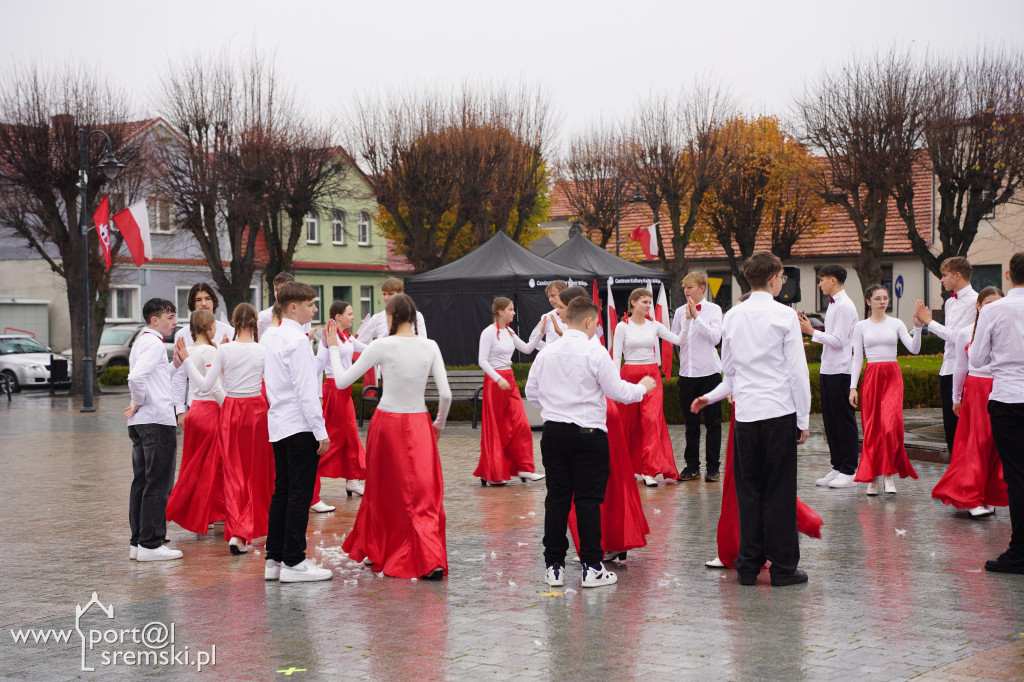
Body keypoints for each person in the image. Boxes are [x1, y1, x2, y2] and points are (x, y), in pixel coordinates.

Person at [695, 252, 811, 587]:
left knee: (749, 492)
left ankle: (748, 565)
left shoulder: (733, 316)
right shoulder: (784, 315)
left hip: (746, 416)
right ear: (774, 277)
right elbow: (797, 372)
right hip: (777, 412)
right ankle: (784, 568)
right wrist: (802, 419)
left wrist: (711, 396)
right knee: (779, 491)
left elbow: (728, 373)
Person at [527, 297, 656, 589]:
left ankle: (554, 567)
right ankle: (592, 567)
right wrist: (642, 388)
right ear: (588, 321)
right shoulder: (594, 351)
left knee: (557, 499)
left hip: (555, 432)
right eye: (595, 323)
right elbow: (617, 391)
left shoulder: (547, 353)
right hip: (589, 434)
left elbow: (531, 392)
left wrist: (553, 407)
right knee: (588, 501)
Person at [326, 294, 451, 580]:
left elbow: (343, 380)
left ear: (391, 317)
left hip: (386, 423)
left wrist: (334, 348)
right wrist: (439, 425)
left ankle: (378, 547)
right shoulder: (430, 345)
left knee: (382, 489)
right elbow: (445, 394)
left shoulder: (381, 345)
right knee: (423, 493)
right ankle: (427, 555)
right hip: (419, 421)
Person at [559, 287, 651, 562]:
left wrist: (641, 389)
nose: (559, 314)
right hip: (599, 412)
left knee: (598, 481)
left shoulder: (584, 342)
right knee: (607, 478)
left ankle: (607, 541)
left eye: (562, 308)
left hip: (594, 414)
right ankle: (611, 540)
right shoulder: (583, 339)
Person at [177, 303, 274, 555]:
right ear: (254, 322)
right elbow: (272, 388)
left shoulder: (223, 350)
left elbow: (206, 385)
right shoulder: (263, 350)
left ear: (233, 321)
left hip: (231, 410)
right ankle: (244, 530)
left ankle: (237, 531)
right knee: (254, 473)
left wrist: (188, 362)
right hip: (257, 411)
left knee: (234, 474)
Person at [260, 281, 333, 583]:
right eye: (310, 304)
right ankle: (294, 561)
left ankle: (274, 559)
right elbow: (305, 389)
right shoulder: (297, 339)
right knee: (299, 494)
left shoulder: (270, 336)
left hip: (279, 422)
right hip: (299, 423)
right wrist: (321, 430)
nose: (314, 309)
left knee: (283, 492)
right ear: (293, 307)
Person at [970, 252, 1024, 575]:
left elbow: (976, 359)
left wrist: (1002, 365)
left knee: (1017, 477)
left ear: (1007, 275)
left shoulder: (993, 310)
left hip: (1007, 398)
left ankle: (1019, 550)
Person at [932, 287, 1007, 517]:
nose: (993, 308)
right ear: (978, 306)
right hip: (975, 390)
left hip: (1002, 388)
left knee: (997, 444)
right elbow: (960, 366)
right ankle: (972, 497)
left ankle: (987, 493)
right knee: (977, 443)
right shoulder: (965, 332)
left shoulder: (1007, 329)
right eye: (988, 304)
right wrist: (956, 397)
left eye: (997, 303)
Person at [850, 285, 923, 495]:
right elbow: (856, 359)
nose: (882, 301)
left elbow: (914, 349)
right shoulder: (861, 326)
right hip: (872, 376)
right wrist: (853, 387)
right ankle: (872, 477)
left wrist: (917, 328)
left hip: (892, 376)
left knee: (890, 426)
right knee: (872, 429)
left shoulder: (897, 323)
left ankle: (888, 474)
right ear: (868, 301)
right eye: (878, 298)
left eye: (885, 298)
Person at [125, 298, 182, 562]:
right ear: (155, 320)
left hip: (143, 422)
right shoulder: (154, 343)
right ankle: (150, 544)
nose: (175, 322)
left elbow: (154, 379)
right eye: (170, 317)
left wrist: (175, 366)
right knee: (158, 484)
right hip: (156, 421)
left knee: (142, 482)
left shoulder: (143, 342)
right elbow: (136, 378)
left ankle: (139, 542)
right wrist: (139, 400)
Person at [612, 287, 682, 487]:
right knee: (630, 423)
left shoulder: (655, 325)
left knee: (651, 420)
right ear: (633, 303)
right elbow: (617, 356)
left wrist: (689, 320)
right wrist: (616, 384)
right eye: (644, 302)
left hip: (651, 377)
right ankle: (632, 467)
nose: (648, 306)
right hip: (629, 375)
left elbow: (678, 340)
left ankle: (649, 470)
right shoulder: (622, 326)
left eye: (650, 303)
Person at [166, 310, 227, 535]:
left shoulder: (189, 350)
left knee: (196, 466)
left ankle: (210, 512)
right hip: (211, 411)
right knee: (212, 466)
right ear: (210, 327)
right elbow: (213, 385)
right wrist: (230, 408)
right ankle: (197, 511)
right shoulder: (208, 351)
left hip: (195, 411)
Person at [799, 265, 860, 489]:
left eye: (822, 280)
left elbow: (839, 341)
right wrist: (811, 330)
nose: (820, 284)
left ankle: (849, 470)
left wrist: (812, 331)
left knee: (843, 421)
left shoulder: (844, 306)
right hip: (828, 368)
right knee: (830, 421)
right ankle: (837, 466)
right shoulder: (834, 305)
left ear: (833, 280)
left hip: (842, 370)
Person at [475, 297, 546, 486]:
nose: (514, 312)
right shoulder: (488, 333)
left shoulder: (509, 331)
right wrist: (497, 379)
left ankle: (525, 468)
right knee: (498, 427)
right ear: (500, 312)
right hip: (495, 382)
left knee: (521, 424)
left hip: (509, 380)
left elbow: (528, 349)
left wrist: (541, 331)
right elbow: (482, 361)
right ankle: (493, 471)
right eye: (510, 309)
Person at [914, 257, 978, 453]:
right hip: (947, 368)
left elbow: (957, 337)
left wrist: (929, 321)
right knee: (950, 428)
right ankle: (953, 474)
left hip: (966, 370)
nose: (941, 280)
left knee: (965, 427)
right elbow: (949, 338)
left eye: (944, 275)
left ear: (957, 275)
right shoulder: (950, 302)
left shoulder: (975, 301)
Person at [312, 300, 369, 507]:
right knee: (334, 438)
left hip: (344, 392)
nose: (353, 317)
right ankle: (313, 475)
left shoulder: (346, 337)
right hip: (333, 392)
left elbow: (368, 349)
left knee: (350, 436)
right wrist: (318, 395)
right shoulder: (330, 337)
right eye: (350, 313)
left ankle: (353, 479)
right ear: (338, 317)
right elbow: (318, 369)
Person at [672, 272, 724, 483]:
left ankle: (713, 467)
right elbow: (677, 339)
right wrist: (685, 321)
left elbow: (715, 338)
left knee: (713, 422)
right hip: (687, 374)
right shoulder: (677, 311)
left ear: (702, 288)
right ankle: (692, 466)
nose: (686, 291)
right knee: (690, 424)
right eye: (685, 287)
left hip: (710, 373)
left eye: (691, 287)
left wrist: (697, 318)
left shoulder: (714, 309)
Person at [171, 283, 234, 426]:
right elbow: (179, 375)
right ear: (192, 304)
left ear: (214, 302)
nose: (204, 303)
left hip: (224, 402)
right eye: (198, 300)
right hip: (196, 404)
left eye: (207, 298)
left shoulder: (228, 331)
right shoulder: (182, 334)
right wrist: (180, 410)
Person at [355, 277, 428, 343]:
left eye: (390, 294)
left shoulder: (416, 315)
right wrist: (376, 350)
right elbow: (361, 341)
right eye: (384, 294)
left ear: (401, 294)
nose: (386, 298)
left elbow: (423, 340)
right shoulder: (377, 318)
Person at [257, 273, 312, 339]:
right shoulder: (265, 316)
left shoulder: (303, 315)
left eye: (282, 290)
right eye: (276, 290)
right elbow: (256, 340)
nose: (278, 293)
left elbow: (307, 340)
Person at [528, 280, 568, 349]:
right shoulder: (548, 316)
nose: (550, 300)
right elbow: (533, 338)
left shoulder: (579, 314)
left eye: (553, 295)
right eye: (549, 296)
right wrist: (548, 349)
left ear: (564, 293)